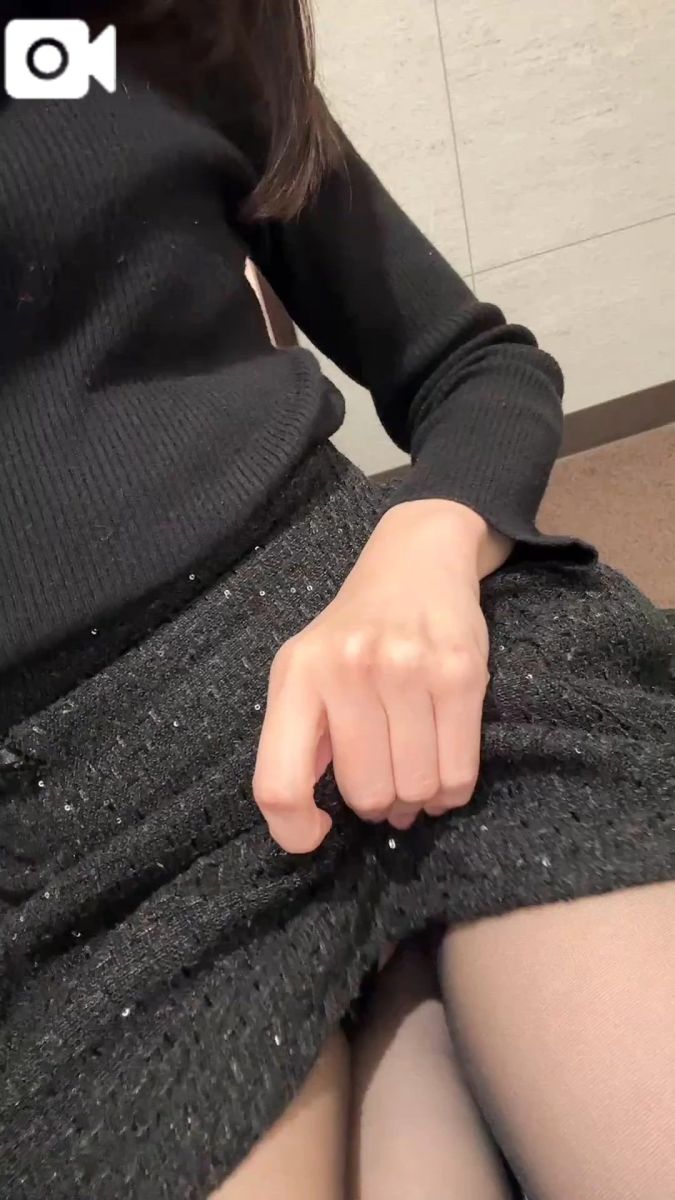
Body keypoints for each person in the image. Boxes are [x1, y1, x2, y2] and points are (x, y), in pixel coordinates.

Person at [0, 2, 673, 1198]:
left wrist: (426, 545)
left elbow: (474, 363)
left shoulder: (122, 34)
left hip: (385, 636)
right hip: (78, 841)